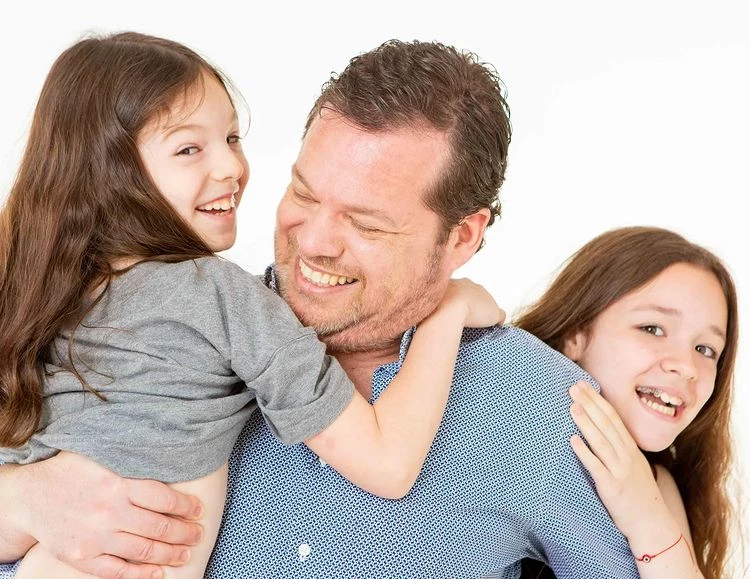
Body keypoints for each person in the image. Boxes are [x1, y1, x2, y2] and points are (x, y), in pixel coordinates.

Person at [0, 39, 642, 579]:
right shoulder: (181, 324)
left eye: (366, 223)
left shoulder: (540, 410)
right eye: (304, 194)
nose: (313, 243)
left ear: (462, 237)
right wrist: (24, 501)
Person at [515, 226, 737, 579]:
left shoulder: (656, 485)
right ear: (576, 334)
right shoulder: (509, 429)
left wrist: (646, 516)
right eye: (653, 329)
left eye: (705, 349)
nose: (687, 366)